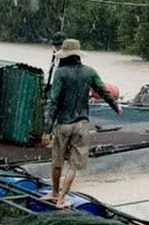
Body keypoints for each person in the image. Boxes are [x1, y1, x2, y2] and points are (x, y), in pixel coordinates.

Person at [40, 39, 121, 209]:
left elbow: (53, 101)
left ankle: (54, 193)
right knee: (73, 165)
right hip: (82, 124)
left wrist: (47, 130)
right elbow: (103, 91)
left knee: (57, 161)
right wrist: (115, 107)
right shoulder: (89, 72)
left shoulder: (60, 73)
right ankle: (62, 199)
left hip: (63, 123)